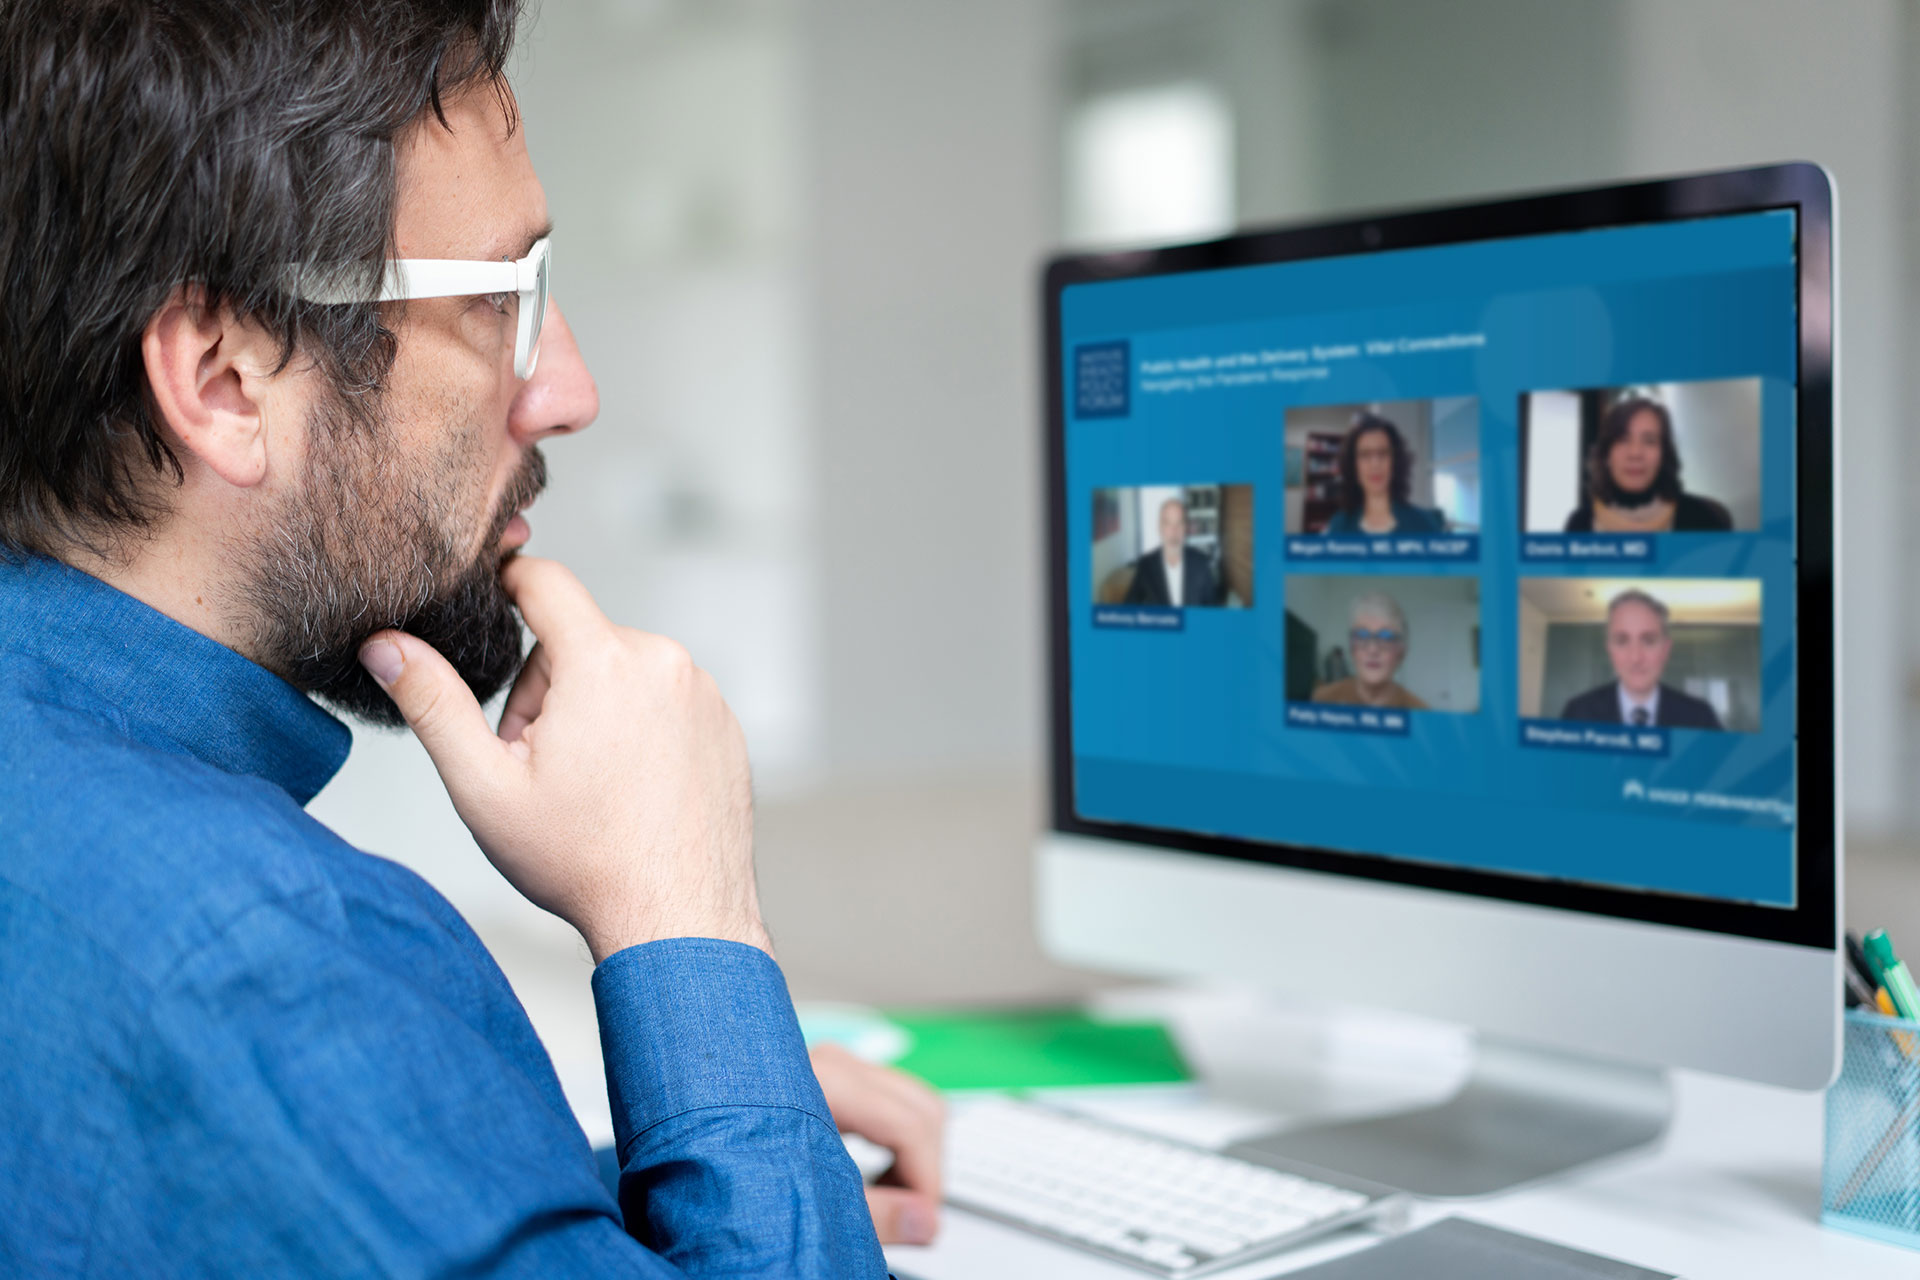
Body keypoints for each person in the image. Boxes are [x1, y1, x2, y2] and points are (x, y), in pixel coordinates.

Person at [0, 3, 938, 1274]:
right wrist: (683, 911)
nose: (568, 390)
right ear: (223, 380)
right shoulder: (264, 960)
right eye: (510, 297)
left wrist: (680, 1150)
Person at [1562, 396, 1734, 533]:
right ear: (1607, 455)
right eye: (1622, 440)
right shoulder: (1579, 525)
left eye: (1649, 441)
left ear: (1664, 455)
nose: (1635, 453)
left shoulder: (1704, 521)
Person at [1558, 590, 1725, 729]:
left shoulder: (1700, 717)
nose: (1636, 657)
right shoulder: (1577, 713)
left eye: (1649, 641)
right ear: (1609, 649)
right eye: (1622, 641)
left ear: (1665, 650)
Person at [1320, 411, 1447, 535]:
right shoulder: (1337, 527)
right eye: (1365, 455)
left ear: (1395, 462)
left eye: (1383, 453)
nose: (1375, 464)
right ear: (1353, 466)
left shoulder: (1425, 525)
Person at [1310, 592, 1429, 709]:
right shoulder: (1322, 699)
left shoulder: (1421, 713)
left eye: (1386, 637)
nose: (1372, 650)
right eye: (1362, 635)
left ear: (1401, 652)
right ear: (1352, 647)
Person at [1123, 496, 1220, 606]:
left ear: (1185, 528)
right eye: (1168, 523)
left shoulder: (1201, 563)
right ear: (1159, 528)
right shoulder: (1146, 565)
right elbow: (1129, 608)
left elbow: (1212, 608)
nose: (1174, 531)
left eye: (1179, 523)